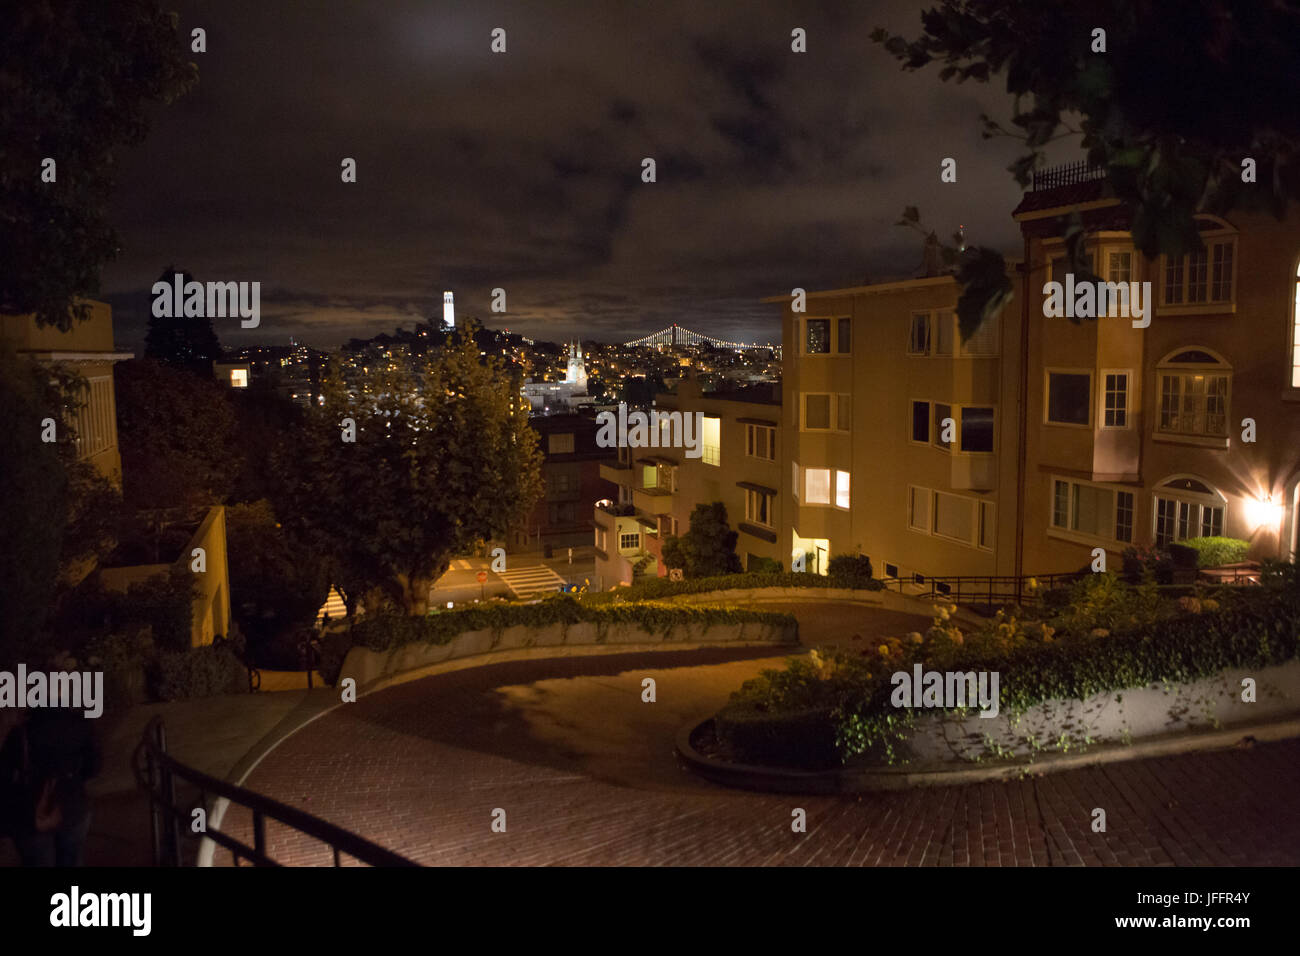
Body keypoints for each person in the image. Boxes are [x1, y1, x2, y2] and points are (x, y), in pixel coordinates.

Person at [0, 708, 102, 867]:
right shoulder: (82, 724)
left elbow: (4, 777)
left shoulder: (22, 732)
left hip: (31, 811)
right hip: (72, 805)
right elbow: (94, 768)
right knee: (72, 859)